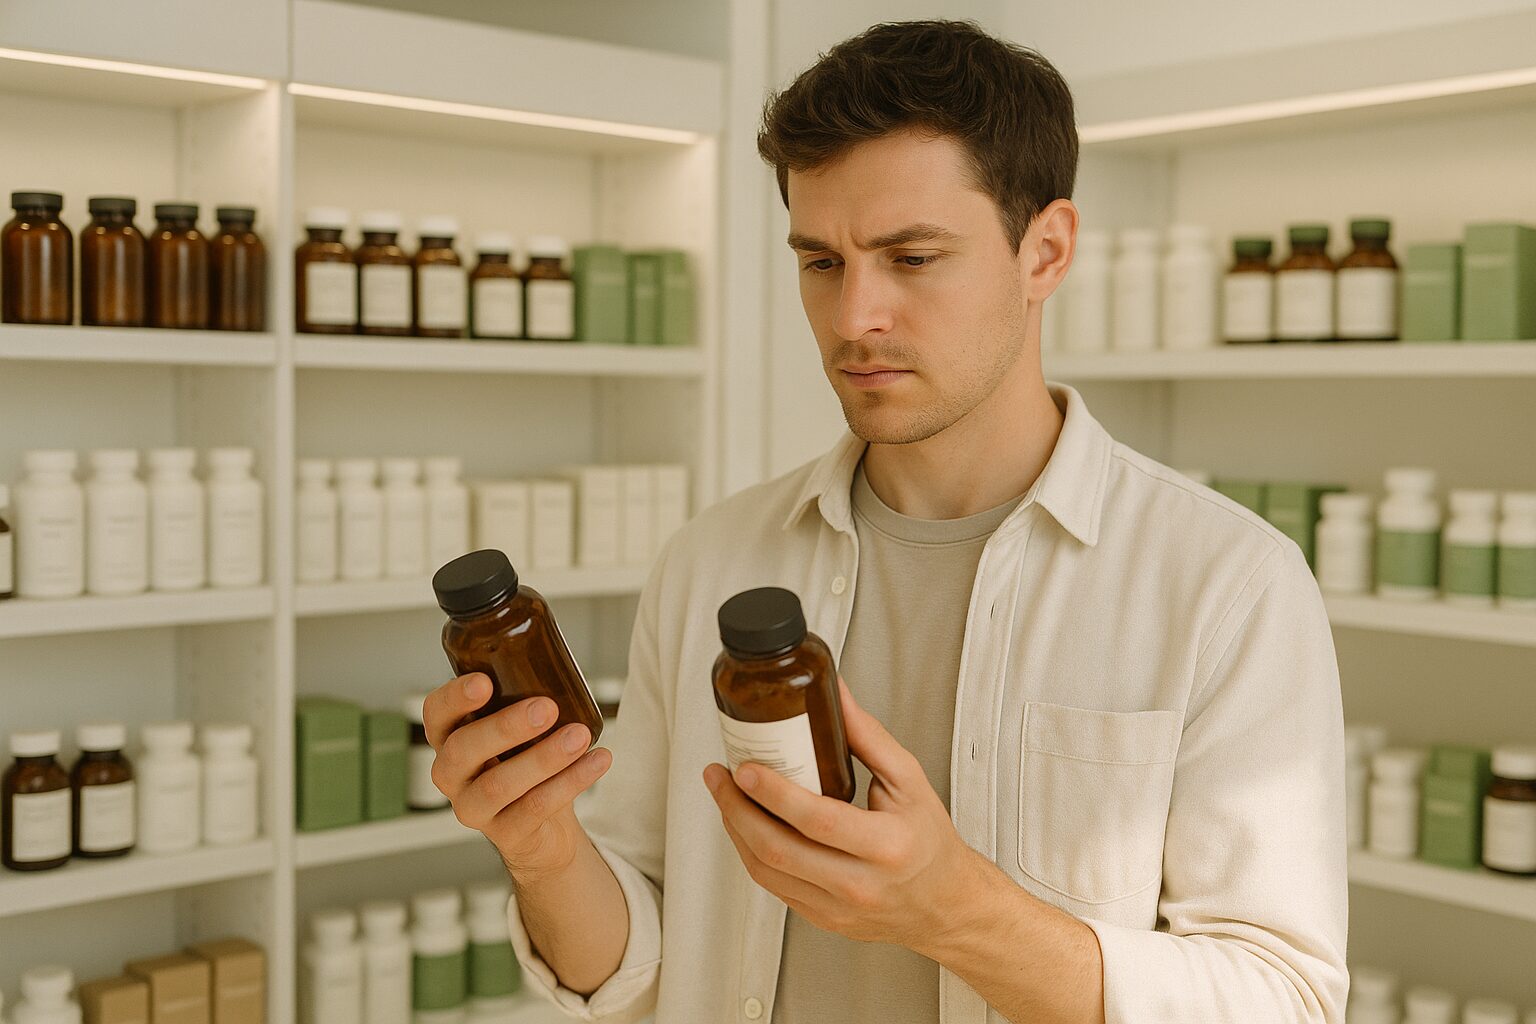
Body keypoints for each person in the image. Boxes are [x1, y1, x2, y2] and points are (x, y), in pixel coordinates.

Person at [422, 19, 1348, 1024]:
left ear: (1045, 251)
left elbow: (1286, 1000)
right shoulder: (710, 561)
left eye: (911, 257)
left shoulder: (1228, 585)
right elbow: (639, 963)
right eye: (821, 262)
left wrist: (956, 912)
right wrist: (544, 851)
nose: (854, 317)